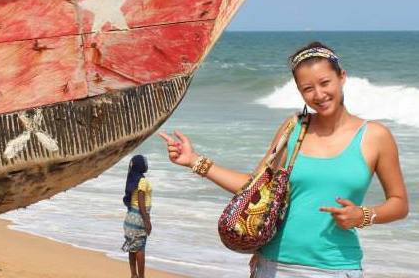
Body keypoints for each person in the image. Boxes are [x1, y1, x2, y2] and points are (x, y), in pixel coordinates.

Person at [159, 42, 409, 277]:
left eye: (325, 82)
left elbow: (399, 204)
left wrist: (363, 215)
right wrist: (194, 161)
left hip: (335, 268)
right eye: (307, 89)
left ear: (342, 77)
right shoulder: (293, 129)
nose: (319, 94)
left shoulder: (375, 136)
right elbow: (253, 188)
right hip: (273, 265)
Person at [121, 154, 152, 278]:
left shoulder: (132, 179)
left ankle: (133, 275)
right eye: (144, 162)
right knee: (140, 248)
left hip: (130, 217)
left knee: (132, 246)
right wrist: (147, 221)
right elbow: (141, 200)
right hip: (139, 216)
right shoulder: (142, 181)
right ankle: (141, 276)